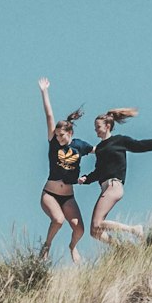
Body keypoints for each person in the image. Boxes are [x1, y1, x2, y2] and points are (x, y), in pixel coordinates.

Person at [79, 109, 152, 243]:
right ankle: (124, 250)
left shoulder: (120, 140)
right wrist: (86, 178)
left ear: (107, 126)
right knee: (94, 232)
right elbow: (99, 171)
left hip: (114, 186)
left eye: (98, 127)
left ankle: (135, 229)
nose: (95, 130)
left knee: (97, 224)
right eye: (95, 127)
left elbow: (141, 145)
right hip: (105, 188)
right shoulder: (100, 148)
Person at [37, 77, 93, 264]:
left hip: (68, 196)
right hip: (50, 194)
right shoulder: (53, 144)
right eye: (57, 135)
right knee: (58, 220)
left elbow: (99, 151)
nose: (59, 138)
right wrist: (44, 92)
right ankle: (46, 246)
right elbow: (49, 116)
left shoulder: (80, 146)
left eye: (62, 135)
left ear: (71, 134)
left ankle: (72, 247)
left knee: (79, 229)